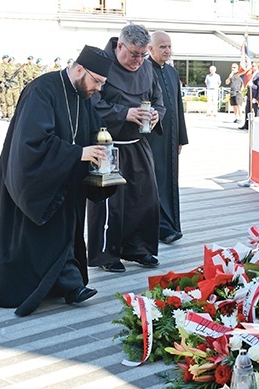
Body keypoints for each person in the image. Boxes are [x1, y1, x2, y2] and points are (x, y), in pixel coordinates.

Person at [0, 45, 114, 317]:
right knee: (39, 239)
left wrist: (102, 155)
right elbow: (31, 143)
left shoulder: (83, 95)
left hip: (66, 183)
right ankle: (58, 286)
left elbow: (94, 130)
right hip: (37, 185)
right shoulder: (41, 90)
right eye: (97, 82)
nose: (98, 89)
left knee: (64, 236)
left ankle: (70, 285)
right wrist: (76, 153)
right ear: (80, 69)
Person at [87, 24, 165, 272]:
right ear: (119, 46)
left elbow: (158, 101)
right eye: (133, 54)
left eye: (143, 55)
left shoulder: (148, 67)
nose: (138, 61)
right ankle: (107, 255)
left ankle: (138, 248)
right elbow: (91, 102)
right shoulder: (100, 64)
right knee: (111, 203)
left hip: (138, 143)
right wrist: (124, 113)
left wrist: (155, 117)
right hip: (107, 144)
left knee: (145, 198)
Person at [147, 31, 189, 244]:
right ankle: (159, 227)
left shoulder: (172, 72)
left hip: (171, 139)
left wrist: (181, 137)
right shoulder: (143, 70)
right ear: (150, 49)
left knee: (170, 180)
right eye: (162, 46)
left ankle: (171, 224)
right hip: (153, 137)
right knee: (155, 181)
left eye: (169, 46)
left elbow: (178, 108)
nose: (167, 50)